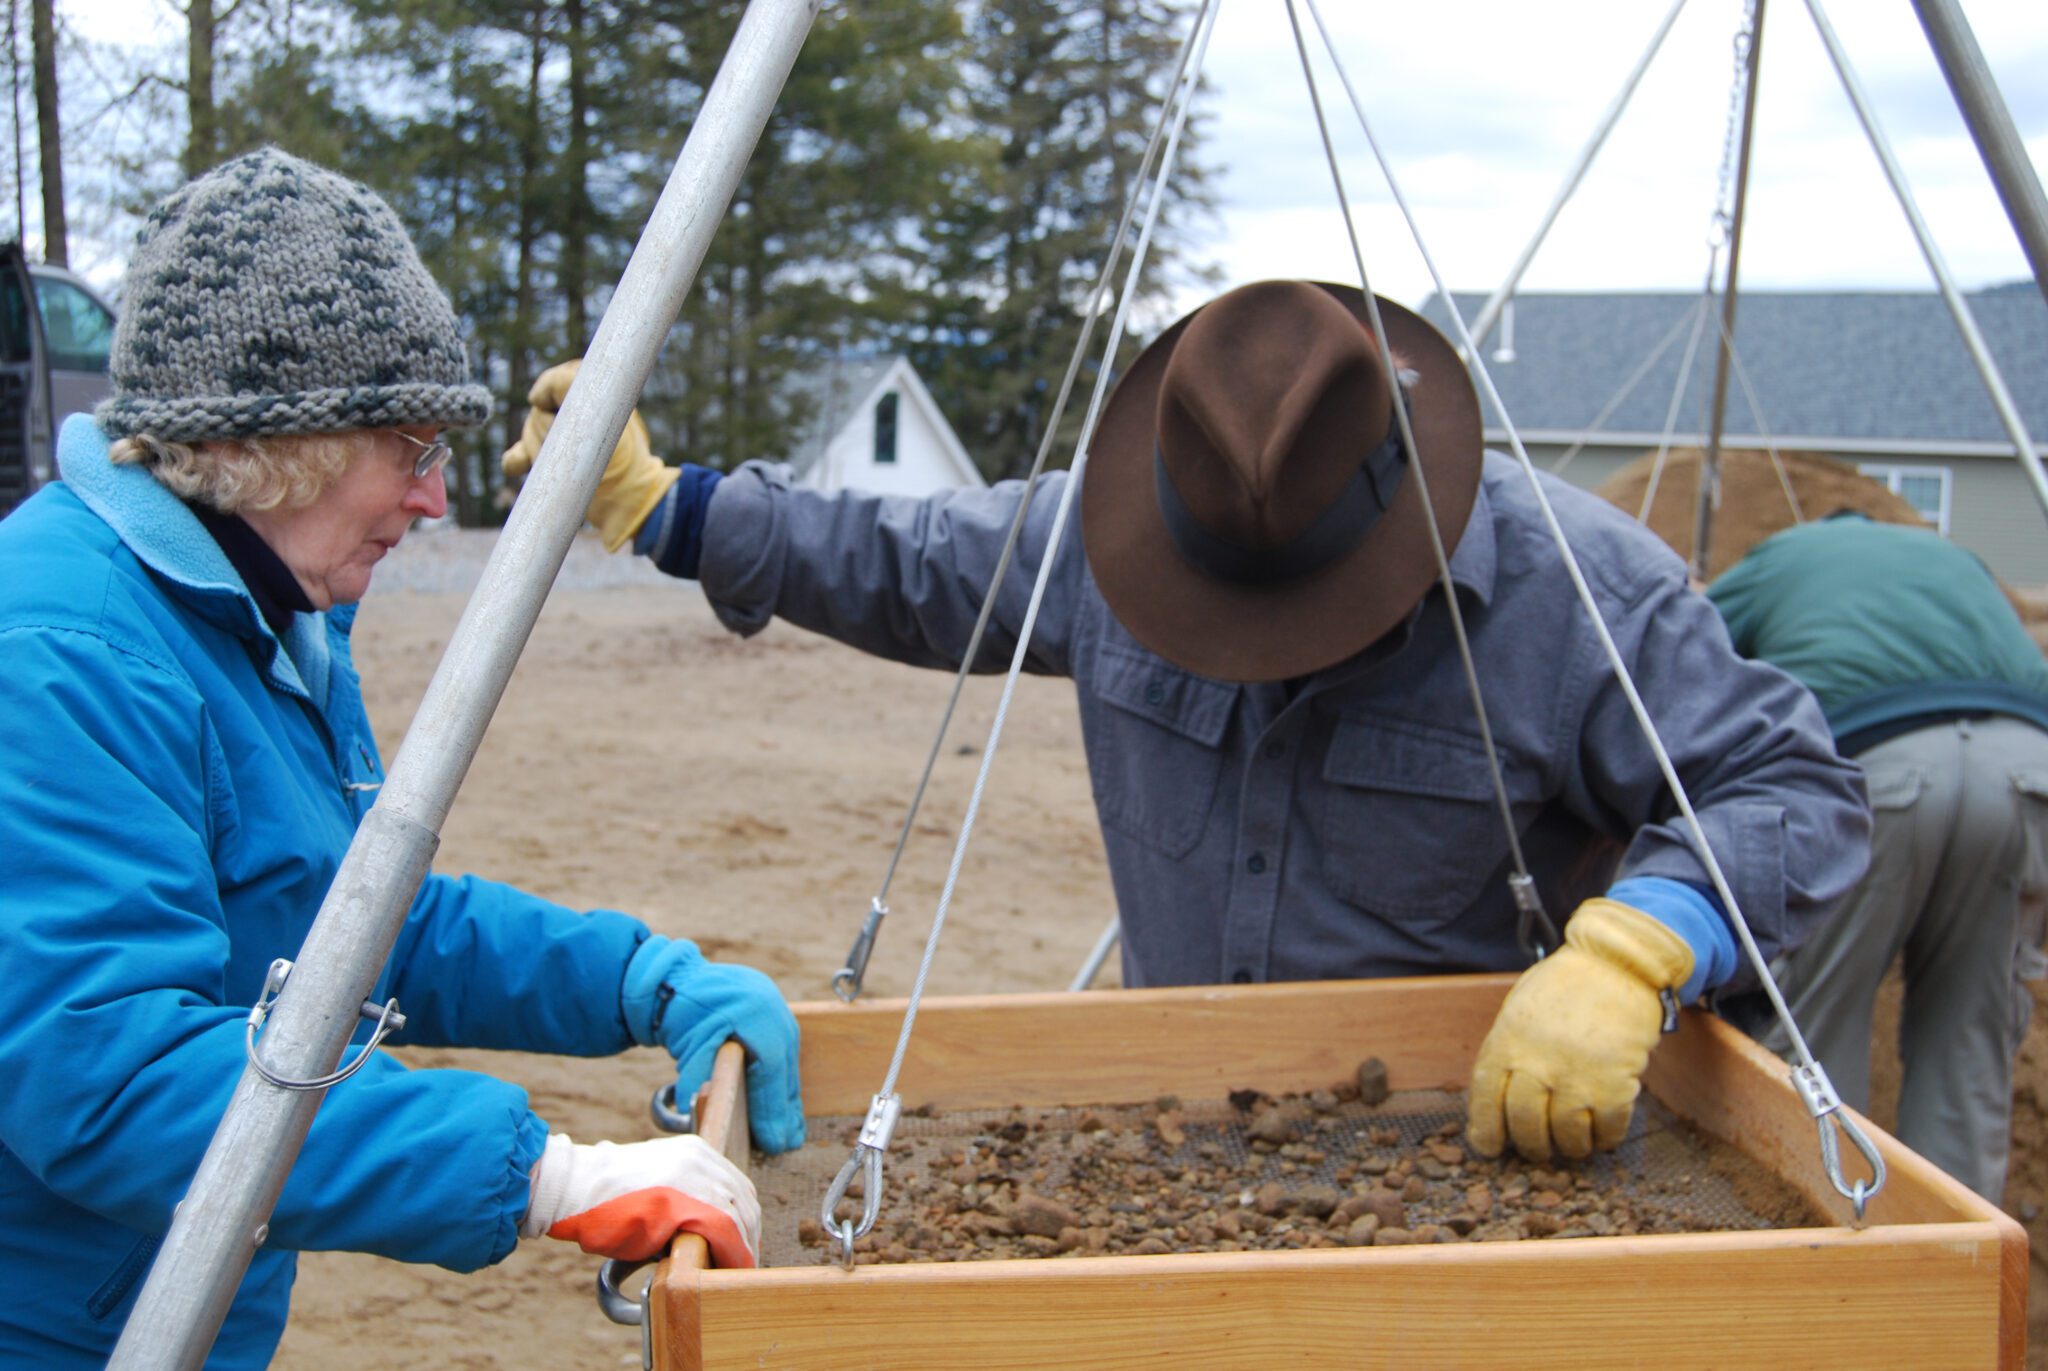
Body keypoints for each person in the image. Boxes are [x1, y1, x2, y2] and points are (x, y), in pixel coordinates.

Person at [509, 278, 1869, 1167]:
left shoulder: (1579, 589)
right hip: (1186, 1133)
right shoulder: (1115, 535)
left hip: (1479, 1149)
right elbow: (909, 559)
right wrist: (666, 507)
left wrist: (1640, 946)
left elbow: (1794, 789)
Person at [0, 148, 805, 1368]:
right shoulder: (64, 654)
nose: (437, 500)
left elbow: (344, 929)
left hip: (170, 1302)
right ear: (286, 442)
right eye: (412, 448)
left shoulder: (268, 618)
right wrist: (545, 1173)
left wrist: (637, 979)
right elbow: (106, 1077)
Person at [1708, 511, 2048, 1200]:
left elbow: (1689, 654)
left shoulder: (1779, 555)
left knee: (1815, 1024)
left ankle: (1820, 1240)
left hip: (1877, 767)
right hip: (2027, 769)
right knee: (1971, 1038)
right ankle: (1957, 1267)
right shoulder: (1955, 557)